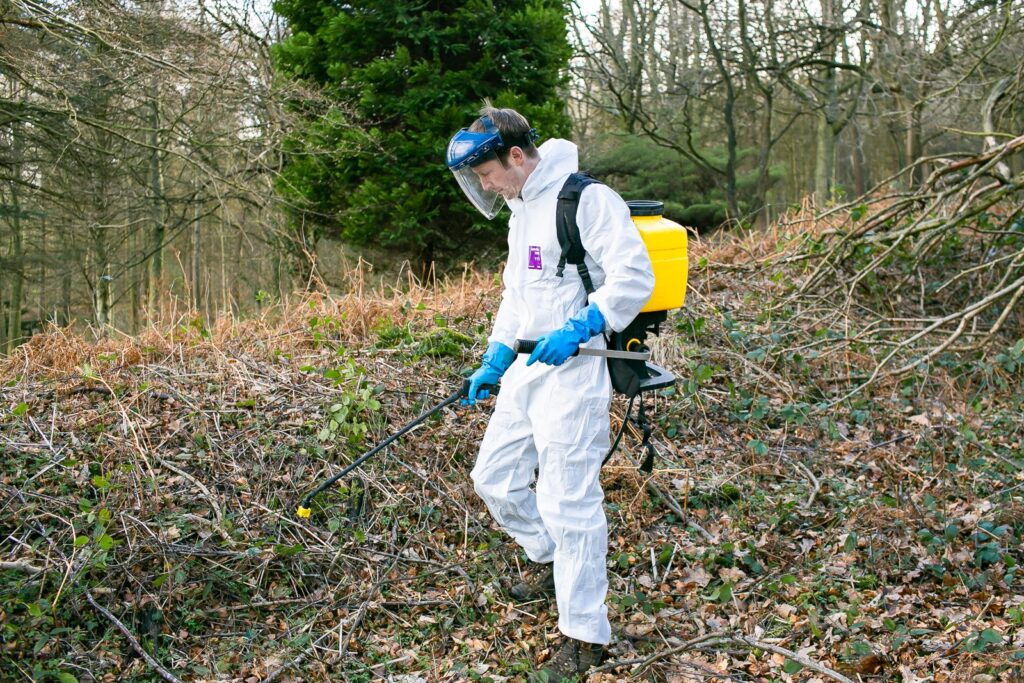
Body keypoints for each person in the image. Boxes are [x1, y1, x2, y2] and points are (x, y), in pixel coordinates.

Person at [446, 105, 654, 681]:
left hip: (576, 368)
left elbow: (635, 276)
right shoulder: (519, 211)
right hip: (525, 368)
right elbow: (518, 294)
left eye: (485, 173)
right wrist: (495, 354)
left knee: (570, 502)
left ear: (515, 156)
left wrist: (583, 325)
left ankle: (586, 636)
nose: (484, 186)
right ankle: (549, 559)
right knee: (494, 477)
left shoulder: (585, 199)